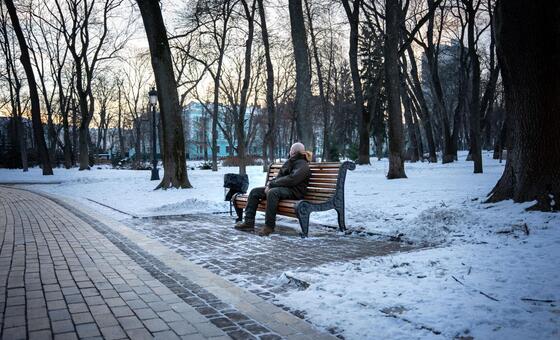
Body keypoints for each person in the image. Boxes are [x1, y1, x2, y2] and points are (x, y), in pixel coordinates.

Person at [235, 142, 312, 236]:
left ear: (294, 152)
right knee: (255, 192)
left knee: (272, 192)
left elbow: (292, 180)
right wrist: (270, 184)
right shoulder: (290, 161)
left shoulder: (302, 164)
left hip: (295, 191)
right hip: (283, 188)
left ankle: (269, 226)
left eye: (291, 149)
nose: (290, 151)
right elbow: (280, 177)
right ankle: (248, 223)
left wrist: (272, 185)